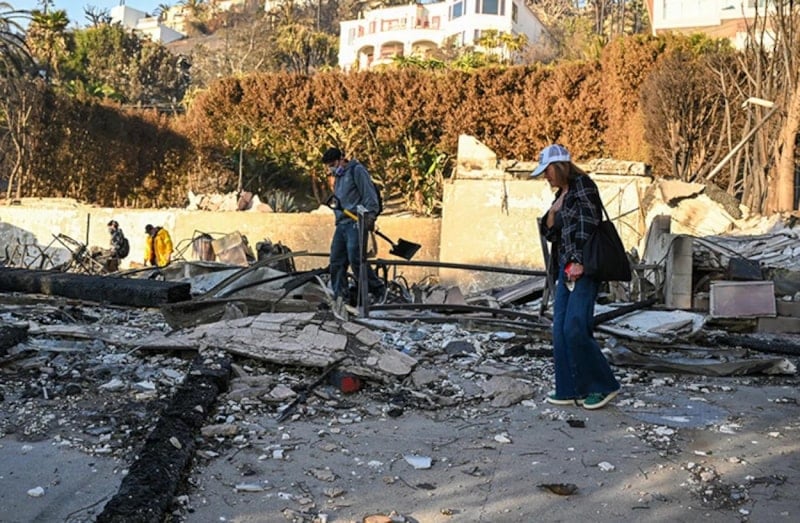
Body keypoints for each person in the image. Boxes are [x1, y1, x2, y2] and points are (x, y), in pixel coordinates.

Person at [534, 144, 620, 410]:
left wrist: (578, 261)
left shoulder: (583, 186)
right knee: (560, 328)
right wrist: (553, 211)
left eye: (547, 170)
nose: (545, 176)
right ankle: (569, 389)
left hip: (583, 266)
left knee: (575, 326)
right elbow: (550, 232)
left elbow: (587, 225)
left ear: (559, 166)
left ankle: (602, 385)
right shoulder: (562, 193)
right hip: (565, 267)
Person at [321, 146, 385, 306]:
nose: (331, 169)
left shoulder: (357, 171)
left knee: (356, 259)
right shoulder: (338, 177)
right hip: (342, 223)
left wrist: (370, 215)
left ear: (341, 159)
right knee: (336, 261)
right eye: (328, 166)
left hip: (355, 222)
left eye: (332, 164)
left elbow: (369, 194)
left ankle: (378, 290)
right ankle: (341, 297)